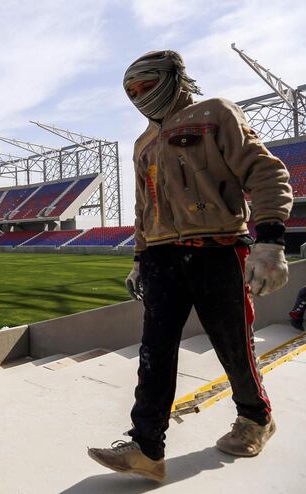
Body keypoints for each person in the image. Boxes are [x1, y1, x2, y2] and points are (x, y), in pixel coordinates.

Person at [87, 50, 293, 482]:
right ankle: (146, 447)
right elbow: (145, 208)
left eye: (146, 85)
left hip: (218, 248)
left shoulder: (216, 113)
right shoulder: (143, 143)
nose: (140, 97)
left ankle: (255, 419)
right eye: (131, 92)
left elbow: (265, 172)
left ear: (174, 77)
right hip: (161, 256)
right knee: (153, 353)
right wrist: (139, 260)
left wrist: (270, 241)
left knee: (234, 346)